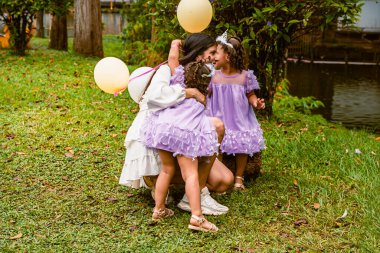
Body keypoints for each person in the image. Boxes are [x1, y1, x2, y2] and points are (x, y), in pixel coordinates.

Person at [119, 34, 233, 213]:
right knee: (184, 170)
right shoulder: (169, 71)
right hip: (166, 137)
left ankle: (182, 198)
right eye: (211, 52)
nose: (214, 57)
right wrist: (190, 92)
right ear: (198, 55)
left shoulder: (198, 73)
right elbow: (155, 97)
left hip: (177, 132)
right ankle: (189, 204)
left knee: (224, 180)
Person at [143, 61, 219, 232]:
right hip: (183, 133)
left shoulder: (177, 91)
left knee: (167, 169)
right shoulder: (201, 99)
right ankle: (197, 217)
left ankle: (159, 210)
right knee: (191, 174)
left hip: (163, 129)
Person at [207, 31, 266, 190]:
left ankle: (239, 178)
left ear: (228, 56)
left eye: (216, 53)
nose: (212, 57)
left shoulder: (245, 76)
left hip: (239, 120)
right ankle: (217, 173)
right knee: (216, 144)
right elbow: (207, 95)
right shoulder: (213, 76)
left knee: (242, 145)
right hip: (218, 118)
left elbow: (251, 95)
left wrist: (256, 103)